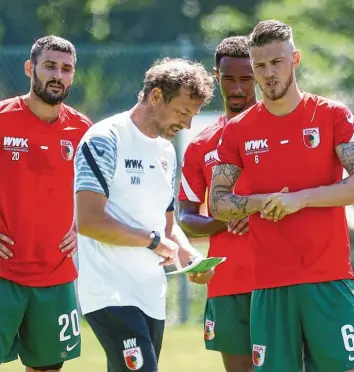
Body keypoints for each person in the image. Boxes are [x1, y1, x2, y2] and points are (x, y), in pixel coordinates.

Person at [209, 19, 354, 372]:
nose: (268, 73)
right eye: (260, 65)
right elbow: (217, 201)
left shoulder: (331, 115)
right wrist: (261, 203)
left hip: (329, 278)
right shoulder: (238, 130)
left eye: (277, 62)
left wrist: (299, 199)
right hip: (270, 285)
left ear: (295, 60)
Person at [74, 57, 215, 372]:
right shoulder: (104, 138)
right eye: (182, 112)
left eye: (192, 116)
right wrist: (152, 242)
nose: (187, 125)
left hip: (151, 294)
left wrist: (190, 257)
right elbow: (89, 221)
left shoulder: (166, 151)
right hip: (110, 292)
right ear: (155, 97)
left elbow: (166, 226)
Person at [0, 36, 92, 372]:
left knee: (48, 368)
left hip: (55, 275)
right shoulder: (3, 118)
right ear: (30, 68)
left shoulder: (83, 130)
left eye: (66, 69)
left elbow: (98, 191)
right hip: (3, 272)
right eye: (50, 66)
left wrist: (82, 224)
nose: (58, 74)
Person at [178, 36, 256, 372]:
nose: (237, 88)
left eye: (246, 78)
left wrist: (256, 210)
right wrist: (225, 219)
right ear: (215, 77)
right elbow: (186, 217)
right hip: (229, 282)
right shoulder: (200, 144)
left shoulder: (283, 131)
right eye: (229, 79)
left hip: (281, 279)